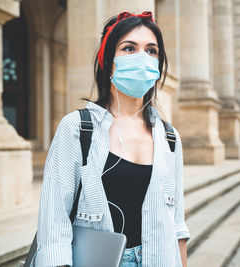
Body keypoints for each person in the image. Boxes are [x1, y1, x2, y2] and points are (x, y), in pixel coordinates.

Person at [32, 11, 190, 267]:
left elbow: (177, 226)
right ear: (108, 60)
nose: (142, 58)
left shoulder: (170, 138)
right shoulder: (77, 129)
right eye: (129, 48)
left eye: (151, 51)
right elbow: (54, 225)